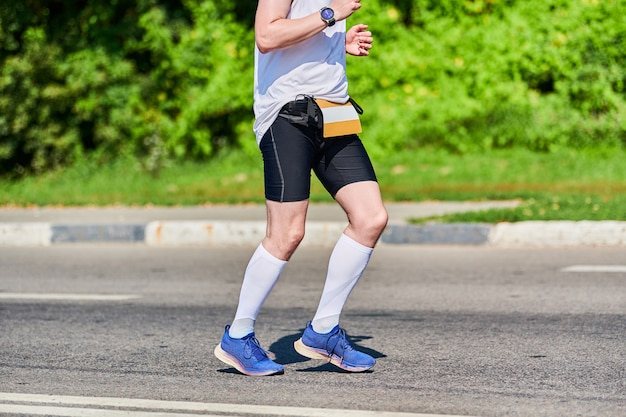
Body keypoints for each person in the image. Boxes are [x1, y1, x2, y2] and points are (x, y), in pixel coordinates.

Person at [214, 0, 388, 376]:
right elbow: (266, 36)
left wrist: (337, 42)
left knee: (371, 218)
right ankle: (238, 335)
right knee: (287, 233)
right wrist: (330, 16)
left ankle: (323, 331)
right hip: (287, 117)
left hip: (334, 111)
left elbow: (301, 32)